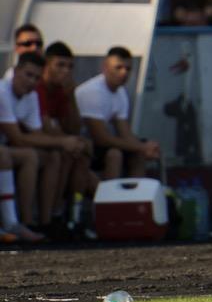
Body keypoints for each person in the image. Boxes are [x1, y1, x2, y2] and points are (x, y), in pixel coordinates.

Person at [0, 52, 82, 237]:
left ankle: (44, 222)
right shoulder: (2, 92)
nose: (32, 81)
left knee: (51, 155)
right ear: (15, 71)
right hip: (5, 149)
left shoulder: (31, 96)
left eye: (37, 77)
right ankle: (15, 223)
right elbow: (18, 139)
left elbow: (36, 135)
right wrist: (63, 141)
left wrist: (65, 144)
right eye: (28, 75)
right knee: (25, 155)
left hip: (6, 148)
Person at [37, 42, 98, 232]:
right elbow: (45, 126)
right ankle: (53, 216)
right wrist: (69, 141)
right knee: (66, 152)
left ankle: (74, 218)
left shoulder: (61, 92)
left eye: (70, 66)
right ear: (46, 66)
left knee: (79, 153)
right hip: (35, 141)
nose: (66, 71)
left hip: (51, 142)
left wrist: (71, 95)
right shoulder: (37, 87)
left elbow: (73, 127)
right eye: (60, 65)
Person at [75, 47, 160, 179]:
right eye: (118, 67)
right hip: (81, 146)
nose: (124, 72)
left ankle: (135, 197)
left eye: (128, 69)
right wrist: (141, 147)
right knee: (115, 154)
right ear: (105, 67)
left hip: (96, 146)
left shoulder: (120, 92)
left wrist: (144, 148)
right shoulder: (92, 92)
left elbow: (125, 132)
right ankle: (110, 198)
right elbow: (101, 138)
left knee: (138, 153)